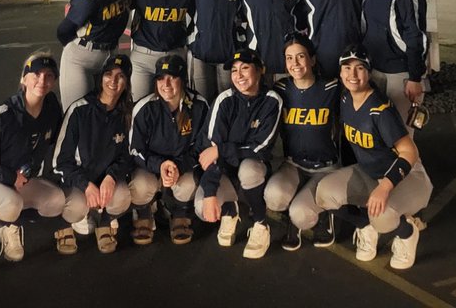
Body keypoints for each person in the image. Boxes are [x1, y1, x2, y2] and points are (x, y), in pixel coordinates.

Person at [0, 51, 76, 277]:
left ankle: (8, 226)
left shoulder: (51, 109)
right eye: (36, 74)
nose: (42, 81)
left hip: (19, 185)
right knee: (12, 203)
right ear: (24, 79)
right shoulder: (3, 115)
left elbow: (60, 143)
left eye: (49, 76)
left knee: (57, 201)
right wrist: (9, 177)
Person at [315, 48, 432, 271]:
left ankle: (407, 233)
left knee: (383, 217)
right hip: (369, 171)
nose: (353, 74)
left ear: (369, 73)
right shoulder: (345, 97)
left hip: (407, 177)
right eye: (347, 68)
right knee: (324, 193)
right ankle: (365, 226)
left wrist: (385, 188)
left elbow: (410, 152)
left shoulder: (380, 109)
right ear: (340, 73)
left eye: (360, 68)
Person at [195, 48, 282, 260]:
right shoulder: (224, 100)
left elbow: (260, 148)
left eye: (245, 68)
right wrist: (209, 194)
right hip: (223, 168)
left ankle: (260, 223)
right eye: (234, 70)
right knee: (201, 207)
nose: (239, 75)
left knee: (249, 169)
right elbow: (210, 152)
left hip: (254, 165)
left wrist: (222, 150)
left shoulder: (272, 100)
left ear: (260, 71)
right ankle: (230, 211)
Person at [51, 53, 135, 255]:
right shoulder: (79, 110)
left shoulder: (126, 113)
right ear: (100, 78)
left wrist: (111, 177)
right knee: (76, 208)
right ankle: (64, 224)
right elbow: (60, 162)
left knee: (123, 196)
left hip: (104, 180)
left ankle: (104, 221)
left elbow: (126, 156)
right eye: (108, 74)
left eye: (120, 76)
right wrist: (85, 185)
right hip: (79, 181)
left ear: (127, 82)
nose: (113, 81)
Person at [265, 33, 340, 251]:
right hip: (294, 164)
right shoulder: (281, 89)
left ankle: (324, 215)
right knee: (273, 196)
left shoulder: (331, 88)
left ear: (312, 59)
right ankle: (296, 210)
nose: (295, 63)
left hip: (325, 167)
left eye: (300, 56)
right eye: (289, 58)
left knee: (301, 213)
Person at [129, 53, 211, 245]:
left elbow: (202, 147)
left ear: (182, 80)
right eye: (160, 78)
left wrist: (179, 166)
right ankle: (144, 212)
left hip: (181, 166)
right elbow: (134, 150)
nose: (165, 84)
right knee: (141, 185)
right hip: (151, 167)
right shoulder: (144, 107)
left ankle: (180, 213)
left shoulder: (199, 106)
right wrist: (160, 165)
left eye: (172, 77)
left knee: (189, 184)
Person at [357, 0, 428, 123]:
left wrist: (415, 77)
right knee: (381, 130)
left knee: (402, 134)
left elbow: (414, 29)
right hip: (375, 68)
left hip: (400, 71)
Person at [56, 0, 133, 108]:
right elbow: (63, 30)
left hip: (110, 56)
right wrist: (76, 50)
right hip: (81, 58)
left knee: (107, 111)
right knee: (77, 114)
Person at [130, 0, 195, 101]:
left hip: (174, 54)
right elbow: (119, 9)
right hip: (143, 56)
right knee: (139, 107)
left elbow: (201, 16)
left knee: (174, 107)